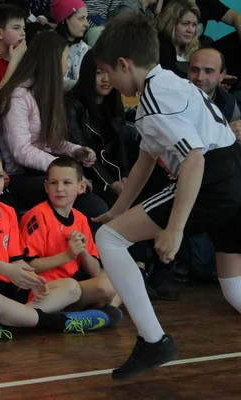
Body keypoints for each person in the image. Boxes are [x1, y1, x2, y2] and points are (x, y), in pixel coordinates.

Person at [92, 13, 241, 380]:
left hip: (212, 177)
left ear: (124, 64)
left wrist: (174, 229)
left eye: (106, 70)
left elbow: (192, 160)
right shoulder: (167, 83)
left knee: (108, 241)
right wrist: (118, 209)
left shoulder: (155, 99)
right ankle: (152, 338)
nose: (106, 79)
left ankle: (153, 339)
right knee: (234, 288)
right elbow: (147, 156)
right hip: (234, 172)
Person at [0, 149, 111, 341]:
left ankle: (7, 322)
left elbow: (18, 261)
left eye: (0, 176)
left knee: (71, 287)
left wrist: (34, 281)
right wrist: (9, 271)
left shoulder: (8, 211)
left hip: (8, 288)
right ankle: (58, 322)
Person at [0, 31, 108, 228]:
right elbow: (21, 151)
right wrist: (63, 171)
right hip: (16, 178)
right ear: (51, 61)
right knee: (90, 204)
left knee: (92, 187)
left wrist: (74, 150)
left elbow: (46, 141)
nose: (67, 65)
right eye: (66, 58)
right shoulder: (16, 97)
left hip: (40, 172)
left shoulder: (45, 92)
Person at [20, 157, 122, 312]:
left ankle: (95, 315)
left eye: (66, 183)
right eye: (54, 183)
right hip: (45, 289)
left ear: (81, 187)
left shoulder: (80, 218)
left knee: (122, 278)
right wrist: (67, 255)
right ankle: (101, 315)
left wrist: (83, 252)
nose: (59, 188)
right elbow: (28, 267)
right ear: (46, 187)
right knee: (105, 287)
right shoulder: (37, 216)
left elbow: (94, 270)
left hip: (73, 285)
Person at [66, 51, 136, 206]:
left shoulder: (114, 99)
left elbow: (121, 142)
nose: (106, 79)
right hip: (88, 176)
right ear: (88, 74)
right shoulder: (72, 104)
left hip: (112, 172)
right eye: (98, 73)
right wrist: (111, 184)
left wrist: (125, 176)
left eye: (109, 72)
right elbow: (84, 155)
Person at [187, 48, 241, 128]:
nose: (200, 77)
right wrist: (227, 134)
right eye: (194, 70)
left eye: (208, 71)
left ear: (222, 75)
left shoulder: (229, 103)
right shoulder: (172, 97)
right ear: (187, 70)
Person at [51, 0, 90, 91]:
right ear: (64, 20)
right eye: (81, 18)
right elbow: (52, 83)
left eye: (86, 18)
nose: (87, 24)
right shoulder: (47, 47)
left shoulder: (86, 49)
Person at [156, 0, 199, 78]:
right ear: (170, 24)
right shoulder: (159, 47)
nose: (190, 30)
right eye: (185, 24)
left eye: (194, 25)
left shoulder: (197, 51)